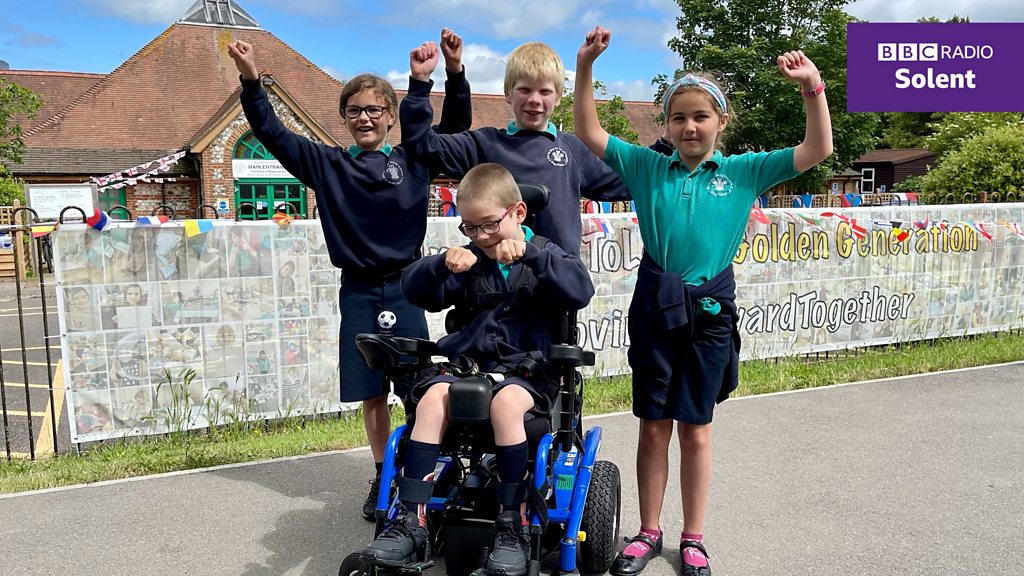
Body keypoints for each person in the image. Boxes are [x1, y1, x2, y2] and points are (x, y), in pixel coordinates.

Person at [573, 26, 833, 576]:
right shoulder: (647, 167)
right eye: (678, 118)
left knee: (695, 427)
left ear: (721, 121)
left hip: (711, 314)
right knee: (652, 424)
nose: (689, 127)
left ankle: (692, 537)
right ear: (666, 125)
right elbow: (589, 130)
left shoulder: (744, 171)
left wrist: (812, 87)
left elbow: (818, 150)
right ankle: (648, 531)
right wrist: (586, 65)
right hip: (656, 306)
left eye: (700, 117)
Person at [228, 29, 473, 519]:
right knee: (371, 393)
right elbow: (272, 132)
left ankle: (418, 472)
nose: (365, 118)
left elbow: (455, 127)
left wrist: (450, 72)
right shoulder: (327, 165)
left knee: (419, 388)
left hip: (408, 287)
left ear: (391, 116)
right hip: (358, 292)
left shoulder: (413, 159)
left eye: (375, 110)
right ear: (343, 117)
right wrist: (251, 79)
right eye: (355, 110)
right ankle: (383, 474)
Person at [361, 164, 595, 575]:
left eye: (489, 225)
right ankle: (411, 520)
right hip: (469, 369)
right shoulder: (470, 263)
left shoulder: (546, 254)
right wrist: (440, 264)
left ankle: (512, 524)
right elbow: (415, 290)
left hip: (527, 372)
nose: (481, 236)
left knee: (505, 405)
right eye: (469, 228)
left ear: (517, 213)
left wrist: (532, 255)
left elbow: (580, 290)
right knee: (433, 398)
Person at [399, 39, 630, 257]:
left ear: (558, 97)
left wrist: (655, 157)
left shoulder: (573, 150)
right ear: (508, 93)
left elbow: (635, 180)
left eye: (545, 91)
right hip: (498, 277)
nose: (534, 99)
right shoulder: (484, 144)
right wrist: (420, 82)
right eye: (525, 90)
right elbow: (422, 144)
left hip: (557, 276)